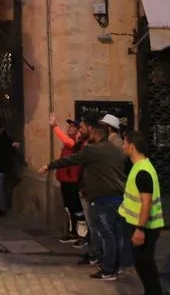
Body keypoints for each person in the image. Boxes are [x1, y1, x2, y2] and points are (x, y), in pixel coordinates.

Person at [40, 122, 127, 281]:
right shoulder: (116, 150)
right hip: (118, 196)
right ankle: (117, 266)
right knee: (116, 234)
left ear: (96, 134)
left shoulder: (93, 150)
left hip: (102, 198)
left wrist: (48, 166)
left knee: (105, 235)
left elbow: (70, 160)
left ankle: (108, 270)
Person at [119, 131, 165, 295]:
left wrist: (140, 229)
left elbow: (146, 203)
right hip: (141, 225)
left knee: (146, 267)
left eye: (124, 143)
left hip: (145, 228)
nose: (122, 146)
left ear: (132, 147)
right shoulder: (140, 166)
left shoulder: (142, 171)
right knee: (144, 266)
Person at [50, 114, 85, 243]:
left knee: (77, 209)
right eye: (69, 125)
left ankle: (81, 235)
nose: (70, 128)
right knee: (69, 208)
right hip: (65, 179)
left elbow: (67, 141)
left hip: (72, 180)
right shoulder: (70, 141)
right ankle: (72, 232)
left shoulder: (76, 141)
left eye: (73, 126)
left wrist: (55, 127)